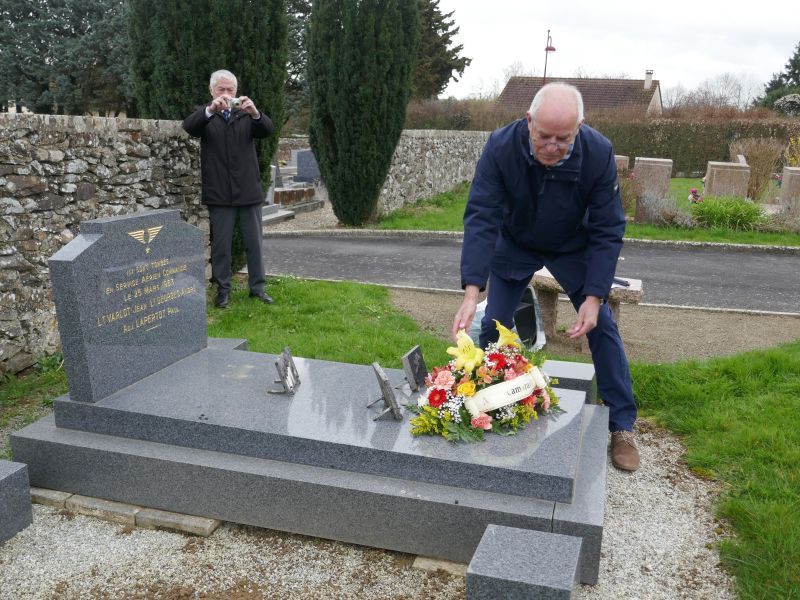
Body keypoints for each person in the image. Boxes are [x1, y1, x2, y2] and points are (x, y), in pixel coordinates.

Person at [452, 82, 640, 472]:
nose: (552, 146)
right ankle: (493, 405)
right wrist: (472, 291)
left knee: (602, 326)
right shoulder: (501, 147)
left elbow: (607, 227)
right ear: (528, 121)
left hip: (572, 245)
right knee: (494, 325)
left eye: (563, 138)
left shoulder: (598, 152)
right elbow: (482, 215)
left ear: (580, 127)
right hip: (516, 242)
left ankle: (622, 425)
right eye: (543, 136)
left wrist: (594, 297)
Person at [182, 69, 275, 308]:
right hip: (219, 192)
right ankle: (223, 290)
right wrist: (211, 110)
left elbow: (267, 130)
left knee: (254, 244)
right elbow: (189, 127)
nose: (226, 94)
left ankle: (258, 288)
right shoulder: (205, 114)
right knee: (221, 246)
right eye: (221, 89)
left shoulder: (246, 114)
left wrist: (256, 113)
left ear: (236, 91)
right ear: (212, 91)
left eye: (230, 89)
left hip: (248, 190)